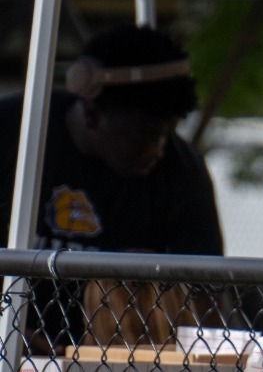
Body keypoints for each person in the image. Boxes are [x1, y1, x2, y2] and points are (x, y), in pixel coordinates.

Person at [0, 23, 221, 255]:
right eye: (146, 135)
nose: (158, 150)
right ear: (91, 113)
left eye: (167, 134)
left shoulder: (183, 172)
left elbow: (207, 287)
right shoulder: (12, 131)